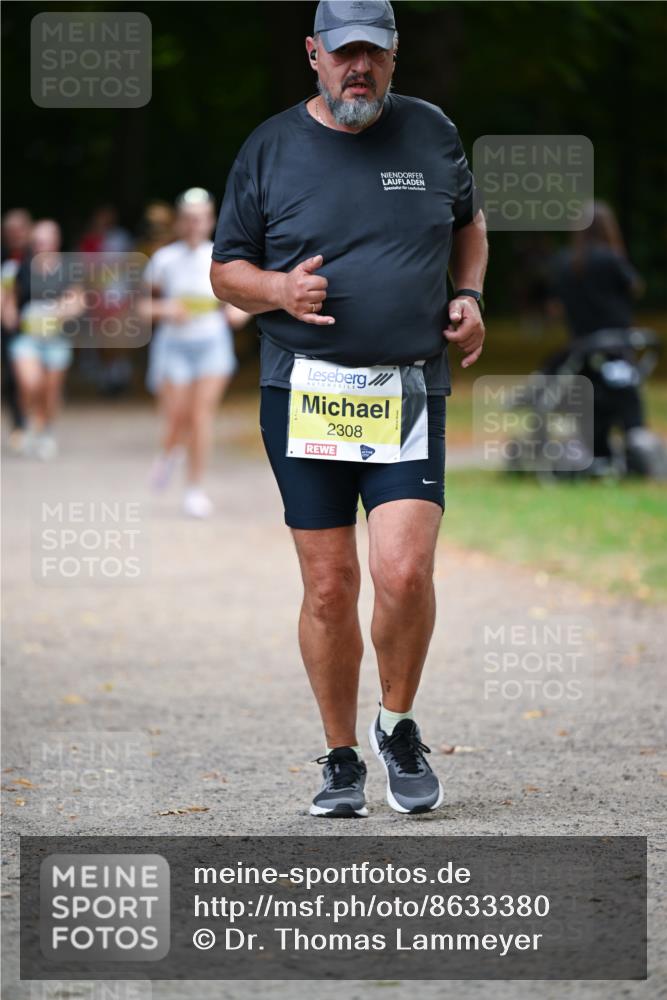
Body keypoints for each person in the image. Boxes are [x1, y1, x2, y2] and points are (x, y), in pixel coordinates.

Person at [211, 0, 487, 817]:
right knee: (330, 586)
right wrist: (277, 289)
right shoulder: (269, 147)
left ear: (394, 55)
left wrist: (469, 293)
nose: (357, 67)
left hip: (408, 387)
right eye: (342, 53)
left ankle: (395, 724)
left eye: (372, 52)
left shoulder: (431, 131)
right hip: (304, 393)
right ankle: (339, 760)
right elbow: (225, 271)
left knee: (403, 570)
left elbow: (469, 221)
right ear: (314, 54)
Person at [143, 188, 249, 518]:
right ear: (179, 222)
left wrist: (239, 312)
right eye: (189, 219)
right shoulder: (164, 260)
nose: (194, 225)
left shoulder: (222, 257)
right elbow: (141, 307)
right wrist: (166, 309)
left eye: (201, 219)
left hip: (211, 345)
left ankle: (194, 489)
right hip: (174, 346)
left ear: (211, 221)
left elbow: (244, 300)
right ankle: (169, 452)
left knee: (201, 416)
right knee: (178, 416)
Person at [550, 200, 645, 465]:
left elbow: (556, 305)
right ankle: (635, 450)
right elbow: (635, 288)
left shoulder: (564, 262)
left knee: (591, 398)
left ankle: (595, 449)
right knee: (625, 397)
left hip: (580, 350)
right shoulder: (611, 259)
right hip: (615, 345)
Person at [6, 219, 85, 460]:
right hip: (27, 337)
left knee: (51, 391)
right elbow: (9, 298)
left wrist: (60, 311)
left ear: (56, 242)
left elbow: (78, 300)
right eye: (38, 242)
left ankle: (44, 430)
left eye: (46, 241)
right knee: (30, 383)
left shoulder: (68, 268)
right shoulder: (20, 266)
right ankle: (26, 424)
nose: (42, 246)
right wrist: (9, 315)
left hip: (56, 338)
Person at [1, 208, 33, 450]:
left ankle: (32, 423)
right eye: (10, 231)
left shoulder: (37, 258)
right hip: (6, 327)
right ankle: (19, 424)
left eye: (19, 230)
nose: (15, 235)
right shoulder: (4, 258)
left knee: (26, 378)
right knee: (12, 378)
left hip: (32, 327)